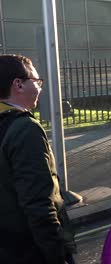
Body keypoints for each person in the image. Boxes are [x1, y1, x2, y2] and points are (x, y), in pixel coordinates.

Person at [0, 54, 76, 263]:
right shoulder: (24, 128)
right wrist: (56, 253)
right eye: (36, 81)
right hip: (27, 249)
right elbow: (38, 202)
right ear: (19, 85)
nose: (40, 88)